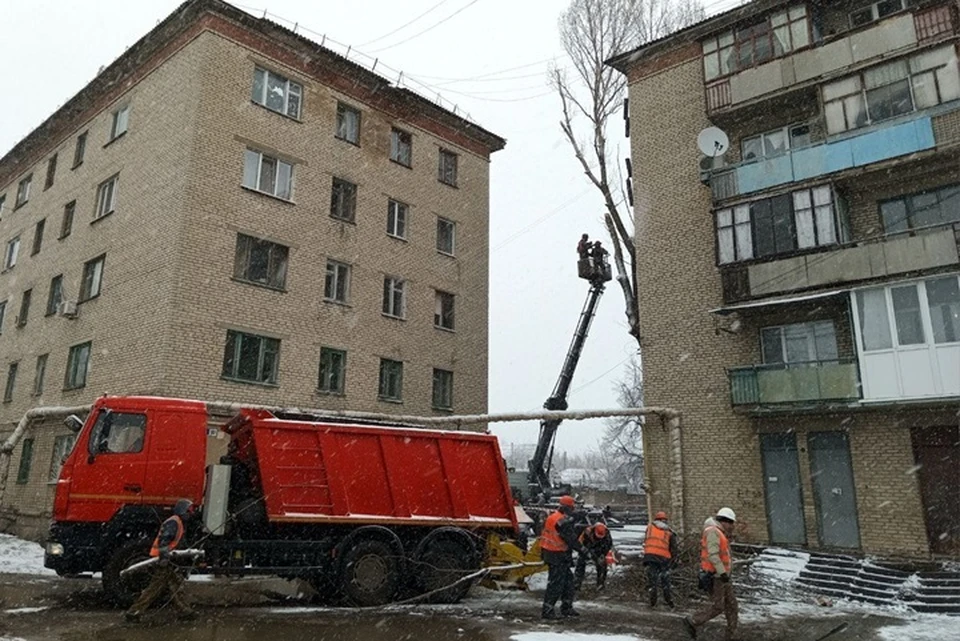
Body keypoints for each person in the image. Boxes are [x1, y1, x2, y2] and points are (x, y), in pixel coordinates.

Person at [125, 499, 197, 622]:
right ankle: (134, 612)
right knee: (157, 588)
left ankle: (185, 611)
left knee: (174, 585)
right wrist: (164, 557)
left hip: (169, 560)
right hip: (164, 561)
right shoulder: (174, 522)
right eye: (189, 510)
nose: (191, 514)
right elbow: (164, 541)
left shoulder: (178, 522)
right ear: (182, 510)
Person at [683, 507, 739, 641]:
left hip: (723, 576)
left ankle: (731, 635)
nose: (732, 527)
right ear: (724, 521)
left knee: (732, 605)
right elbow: (713, 556)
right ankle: (693, 620)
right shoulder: (713, 532)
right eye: (731, 523)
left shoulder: (718, 532)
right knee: (719, 607)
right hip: (717, 577)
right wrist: (723, 573)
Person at [540, 495, 584, 619]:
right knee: (556, 584)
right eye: (571, 508)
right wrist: (583, 550)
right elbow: (571, 539)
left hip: (554, 553)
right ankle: (547, 611)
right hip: (556, 555)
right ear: (566, 508)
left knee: (568, 582)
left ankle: (566, 607)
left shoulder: (554, 517)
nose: (573, 510)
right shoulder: (561, 521)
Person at [643, 510, 678, 609]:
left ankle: (653, 603)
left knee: (652, 581)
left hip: (649, 557)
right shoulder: (669, 532)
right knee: (665, 581)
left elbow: (646, 540)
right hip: (663, 558)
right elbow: (674, 549)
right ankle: (669, 602)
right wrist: (674, 561)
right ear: (665, 521)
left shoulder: (649, 528)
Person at [574, 522, 612, 590]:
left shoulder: (607, 534)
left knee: (602, 565)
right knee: (580, 563)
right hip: (587, 548)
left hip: (599, 549)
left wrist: (603, 554)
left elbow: (608, 545)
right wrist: (586, 552)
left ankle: (600, 583)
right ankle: (577, 583)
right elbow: (580, 543)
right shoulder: (587, 532)